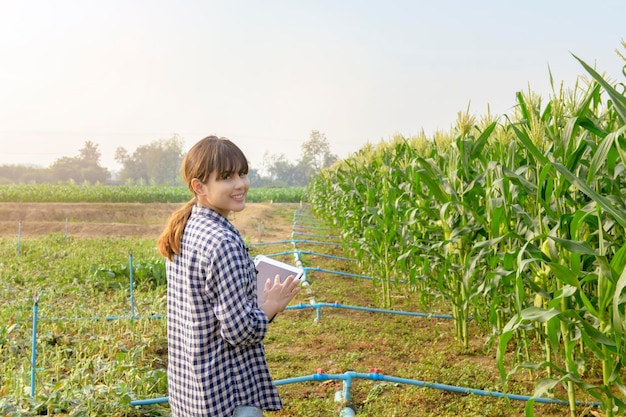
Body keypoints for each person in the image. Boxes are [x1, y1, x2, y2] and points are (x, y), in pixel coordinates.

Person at [157, 136, 301, 417]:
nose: (240, 184)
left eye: (242, 173)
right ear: (199, 186)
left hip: (190, 387)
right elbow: (239, 331)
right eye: (226, 177)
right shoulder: (223, 241)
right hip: (223, 392)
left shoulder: (185, 228)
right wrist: (272, 304)